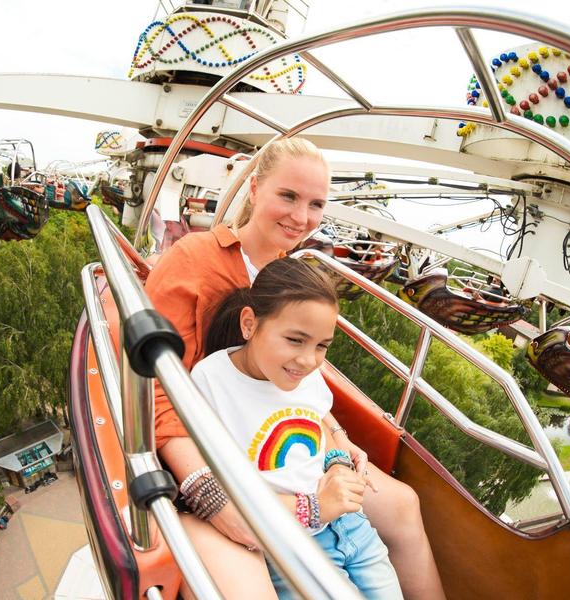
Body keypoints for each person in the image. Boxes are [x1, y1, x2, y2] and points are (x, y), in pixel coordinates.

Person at [145, 138, 444, 599]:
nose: (301, 217)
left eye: (316, 204)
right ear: (254, 188)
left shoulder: (292, 273)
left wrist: (338, 438)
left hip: (284, 446)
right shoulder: (194, 260)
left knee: (402, 504)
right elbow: (157, 386)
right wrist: (208, 489)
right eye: (288, 196)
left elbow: (302, 382)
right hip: (216, 452)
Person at [190, 257, 402, 598]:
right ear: (249, 324)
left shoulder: (305, 376)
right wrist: (315, 505)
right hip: (293, 545)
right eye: (295, 340)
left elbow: (315, 421)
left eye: (321, 346)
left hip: (351, 525)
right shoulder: (211, 381)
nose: (308, 360)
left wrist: (338, 462)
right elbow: (218, 478)